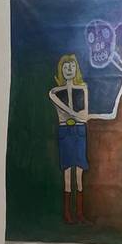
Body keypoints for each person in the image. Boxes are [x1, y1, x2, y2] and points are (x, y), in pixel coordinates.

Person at [49, 54, 91, 225]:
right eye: (65, 67)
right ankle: (67, 213)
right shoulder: (55, 91)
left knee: (79, 173)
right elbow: (79, 114)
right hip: (65, 131)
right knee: (67, 173)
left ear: (76, 69)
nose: (69, 69)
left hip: (79, 131)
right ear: (61, 70)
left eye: (72, 66)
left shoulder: (83, 89)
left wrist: (77, 116)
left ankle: (79, 213)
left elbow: (85, 115)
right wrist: (75, 114)